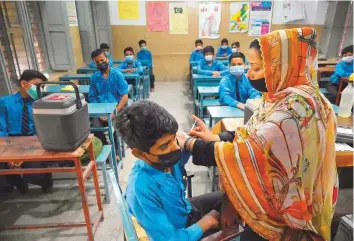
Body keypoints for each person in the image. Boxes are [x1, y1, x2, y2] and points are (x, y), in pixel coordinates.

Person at [181, 28, 338, 241]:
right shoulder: (277, 97)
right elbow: (253, 133)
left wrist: (191, 144)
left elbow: (251, 151)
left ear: (281, 67)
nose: (248, 74)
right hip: (282, 198)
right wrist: (217, 138)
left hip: (287, 214)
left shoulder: (297, 107)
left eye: (256, 68)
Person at [116, 100, 223, 241]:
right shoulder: (142, 190)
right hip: (177, 232)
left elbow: (191, 147)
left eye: (174, 138)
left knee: (227, 198)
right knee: (231, 223)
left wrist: (204, 139)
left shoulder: (166, 158)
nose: (176, 147)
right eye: (164, 146)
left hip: (183, 210)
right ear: (139, 153)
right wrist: (206, 223)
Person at [0, 70, 53, 194]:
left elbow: (42, 130)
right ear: (24, 83)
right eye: (37, 85)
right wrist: (9, 155)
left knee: (32, 176)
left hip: (32, 141)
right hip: (10, 142)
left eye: (42, 87)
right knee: (3, 174)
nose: (39, 90)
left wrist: (25, 153)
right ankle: (14, 182)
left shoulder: (40, 104)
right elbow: (1, 129)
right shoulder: (5, 103)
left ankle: (46, 179)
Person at [88, 49, 129, 146]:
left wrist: (113, 113)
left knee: (115, 126)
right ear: (94, 63)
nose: (100, 63)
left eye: (102, 60)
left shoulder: (117, 75)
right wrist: (99, 112)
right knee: (95, 127)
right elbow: (92, 97)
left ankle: (116, 150)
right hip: (101, 110)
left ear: (107, 59)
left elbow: (124, 96)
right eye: (97, 62)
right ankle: (105, 146)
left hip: (117, 108)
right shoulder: (94, 78)